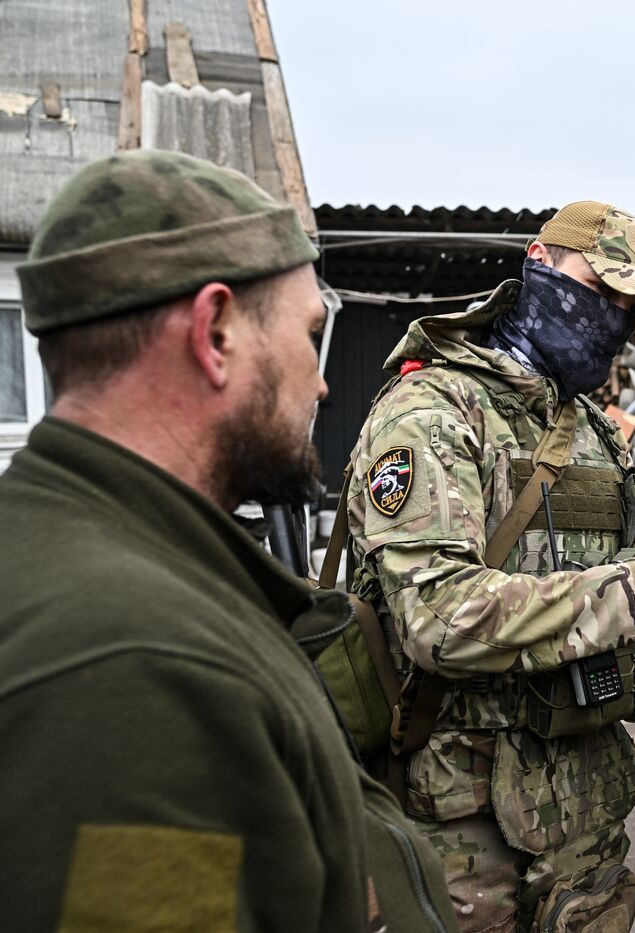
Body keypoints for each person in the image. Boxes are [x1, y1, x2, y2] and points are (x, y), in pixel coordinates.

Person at [0, 151, 455, 931]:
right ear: (215, 332)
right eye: (311, 333)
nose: (321, 383)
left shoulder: (121, 558)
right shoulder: (138, 666)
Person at [345, 200, 635, 931]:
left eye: (630, 305)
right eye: (597, 288)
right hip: (465, 831)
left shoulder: (596, 433)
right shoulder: (434, 410)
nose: (611, 315)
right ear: (537, 261)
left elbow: (631, 609)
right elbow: (437, 618)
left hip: (584, 823)